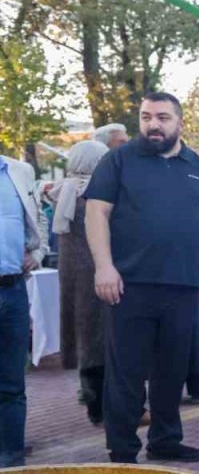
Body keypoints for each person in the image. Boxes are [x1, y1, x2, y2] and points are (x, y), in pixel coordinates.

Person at [85, 91, 199, 465]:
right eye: (146, 117)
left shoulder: (198, 166)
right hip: (129, 286)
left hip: (183, 287)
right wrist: (104, 266)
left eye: (162, 117)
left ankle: (165, 439)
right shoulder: (119, 161)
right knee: (126, 373)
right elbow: (96, 213)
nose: (153, 124)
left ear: (180, 122)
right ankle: (122, 449)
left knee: (172, 370)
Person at [54, 140, 111, 426]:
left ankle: (93, 405)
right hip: (97, 277)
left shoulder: (62, 190)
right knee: (101, 344)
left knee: (85, 342)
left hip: (72, 280)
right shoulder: (92, 193)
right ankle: (102, 408)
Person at [0, 153, 48, 468]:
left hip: (13, 289)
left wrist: (39, 250)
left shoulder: (18, 171)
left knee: (12, 383)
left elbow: (39, 218)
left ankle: (12, 461)